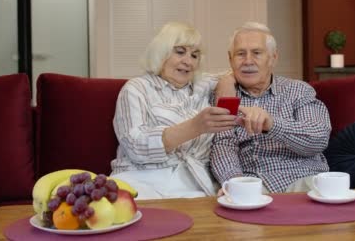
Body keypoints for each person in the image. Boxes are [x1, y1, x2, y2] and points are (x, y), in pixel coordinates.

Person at [110, 22, 238, 199]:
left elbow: (236, 71)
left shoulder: (201, 86)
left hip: (192, 184)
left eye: (194, 55)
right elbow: (135, 146)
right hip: (140, 179)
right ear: (161, 53)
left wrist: (227, 82)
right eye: (179, 52)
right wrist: (194, 127)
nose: (188, 61)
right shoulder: (136, 89)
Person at [210, 22, 331, 194]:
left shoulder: (298, 90)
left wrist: (272, 125)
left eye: (257, 53)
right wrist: (234, 180)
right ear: (230, 59)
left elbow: (318, 138)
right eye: (240, 54)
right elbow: (223, 143)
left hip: (303, 179)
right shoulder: (227, 96)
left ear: (273, 58)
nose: (248, 61)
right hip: (254, 185)